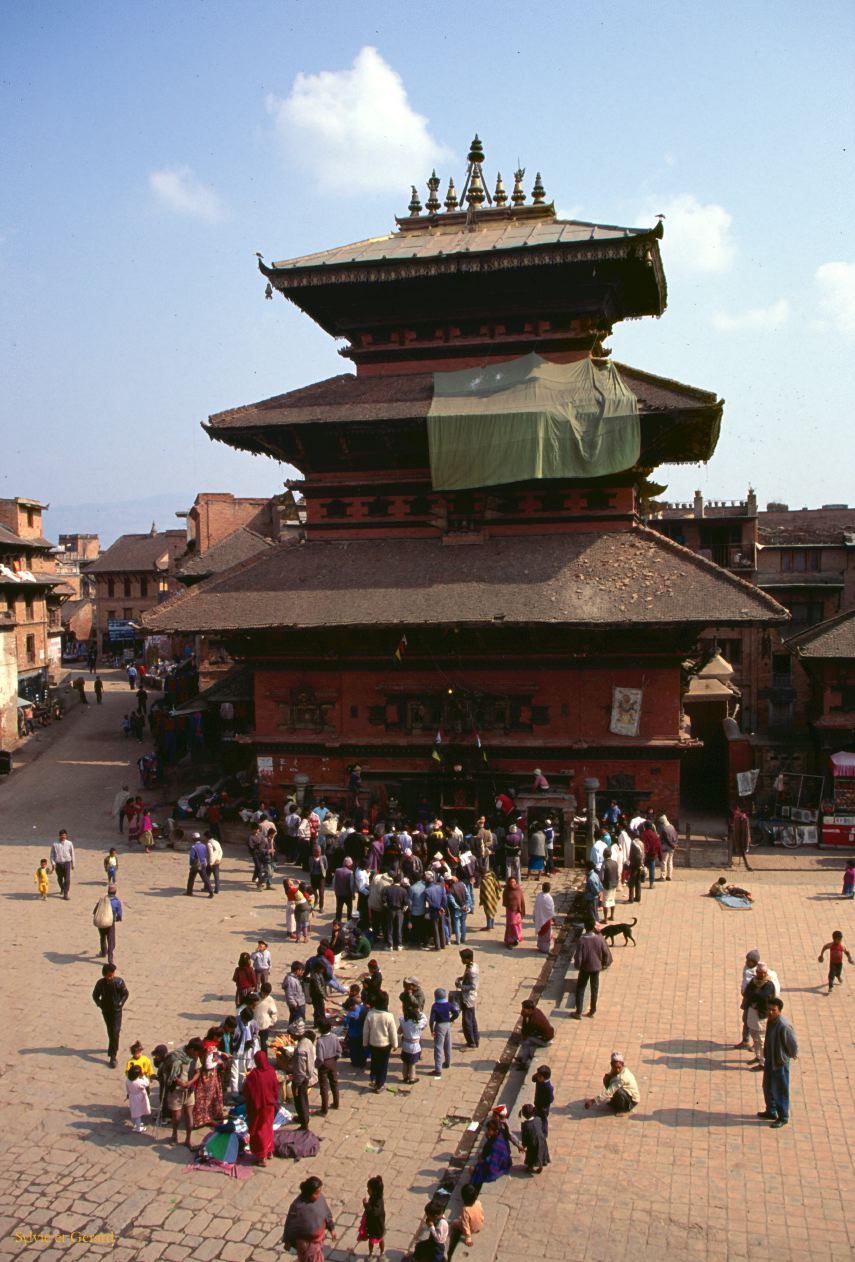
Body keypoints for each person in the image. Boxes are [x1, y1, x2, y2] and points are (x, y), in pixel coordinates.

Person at [759, 997, 798, 1128]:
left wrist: (791, 1055)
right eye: (768, 1009)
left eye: (773, 1010)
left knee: (780, 1089)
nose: (770, 1012)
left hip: (779, 1062)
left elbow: (792, 1044)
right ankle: (771, 1110)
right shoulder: (771, 1021)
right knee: (767, 1086)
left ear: (779, 1011)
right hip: (770, 1059)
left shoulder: (784, 1025)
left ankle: (783, 1116)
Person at [283, 1176, 337, 1262]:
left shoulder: (320, 1199)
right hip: (305, 1244)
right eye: (316, 1193)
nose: (319, 1195)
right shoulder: (297, 1207)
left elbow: (326, 1213)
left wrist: (332, 1228)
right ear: (309, 1192)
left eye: (319, 1192)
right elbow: (290, 1224)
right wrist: (287, 1241)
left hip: (318, 1240)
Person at [242, 1048, 279, 1165]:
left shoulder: (253, 1075)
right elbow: (275, 1087)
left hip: (257, 1108)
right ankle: (269, 1152)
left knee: (259, 1131)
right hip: (270, 1106)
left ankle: (262, 1157)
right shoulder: (272, 1071)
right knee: (268, 1128)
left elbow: (247, 1091)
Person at [571, 923, 612, 1019]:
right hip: (596, 968)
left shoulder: (582, 940)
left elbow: (578, 957)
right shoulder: (599, 938)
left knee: (580, 988)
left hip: (585, 968)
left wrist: (577, 966)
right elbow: (605, 953)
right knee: (594, 989)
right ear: (593, 928)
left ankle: (578, 1012)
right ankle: (592, 1010)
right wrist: (603, 964)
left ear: (585, 928)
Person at [92, 963, 128, 1067]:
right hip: (106, 1011)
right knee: (110, 1030)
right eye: (108, 975)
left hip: (117, 1011)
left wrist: (120, 1003)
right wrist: (100, 1004)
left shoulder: (119, 982)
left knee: (115, 1031)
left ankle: (113, 1055)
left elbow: (125, 994)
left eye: (112, 975)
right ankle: (112, 1045)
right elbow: (95, 995)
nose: (110, 977)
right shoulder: (100, 984)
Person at [362, 992, 398, 1092]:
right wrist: (395, 1044)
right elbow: (393, 1032)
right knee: (383, 1065)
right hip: (385, 1046)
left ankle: (373, 1078)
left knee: (374, 1062)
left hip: (373, 1044)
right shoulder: (388, 1016)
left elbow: (366, 1031)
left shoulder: (370, 1014)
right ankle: (379, 1085)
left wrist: (365, 1043)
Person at [742, 962, 776, 1069]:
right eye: (759, 972)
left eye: (763, 973)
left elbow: (763, 996)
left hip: (761, 1014)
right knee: (754, 1036)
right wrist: (754, 995)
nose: (761, 975)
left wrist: (754, 994)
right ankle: (757, 1056)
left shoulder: (769, 984)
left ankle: (763, 1062)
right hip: (752, 1011)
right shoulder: (754, 981)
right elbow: (747, 992)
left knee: (761, 1039)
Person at [193, 1035, 226, 1130]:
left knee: (206, 1097)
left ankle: (203, 1118)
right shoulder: (211, 1047)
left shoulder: (206, 1044)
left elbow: (214, 1055)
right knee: (207, 1097)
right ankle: (206, 1118)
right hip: (208, 1076)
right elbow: (208, 1065)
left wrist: (221, 1054)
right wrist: (218, 1062)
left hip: (207, 1075)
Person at [470, 1117, 513, 1190]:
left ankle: (475, 1187)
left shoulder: (496, 1145)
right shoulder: (500, 1134)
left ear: (496, 1131)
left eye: (489, 1130)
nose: (487, 1131)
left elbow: (492, 1164)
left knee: (472, 1170)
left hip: (498, 1167)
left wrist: (482, 1161)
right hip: (504, 1161)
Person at [513, 1000, 554, 1068]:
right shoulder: (536, 1010)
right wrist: (524, 1016)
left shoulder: (534, 1020)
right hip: (543, 1035)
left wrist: (524, 1017)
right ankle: (525, 1058)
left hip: (546, 1040)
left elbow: (526, 1032)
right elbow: (526, 1029)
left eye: (524, 1009)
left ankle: (524, 1062)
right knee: (526, 1040)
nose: (522, 1010)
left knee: (525, 1042)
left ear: (530, 1010)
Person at [429, 987, 459, 1077]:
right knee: (448, 1044)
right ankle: (447, 1063)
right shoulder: (448, 1004)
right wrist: (450, 1019)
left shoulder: (435, 1006)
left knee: (438, 1047)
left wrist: (432, 1030)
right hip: (447, 1025)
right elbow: (456, 1013)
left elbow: (431, 1020)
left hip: (439, 1026)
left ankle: (438, 1069)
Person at [290, 1027, 316, 1129]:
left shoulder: (301, 1049)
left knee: (300, 1100)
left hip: (301, 1078)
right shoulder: (308, 1042)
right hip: (307, 1075)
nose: (291, 1036)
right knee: (303, 1099)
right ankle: (302, 1117)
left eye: (292, 1034)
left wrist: (297, 1083)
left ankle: (304, 1124)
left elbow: (301, 1069)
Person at [448, 1184, 483, 1260]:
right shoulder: (478, 1202)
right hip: (479, 1225)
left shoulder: (465, 1210)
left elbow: (465, 1225)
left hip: (471, 1229)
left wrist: (468, 1237)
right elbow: (481, 1214)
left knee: (454, 1223)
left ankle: (451, 1231)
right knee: (463, 1218)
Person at [315, 1019, 342, 1114]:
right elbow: (339, 1051)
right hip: (333, 1062)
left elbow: (320, 1058)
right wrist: (335, 1059)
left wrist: (316, 1066)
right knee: (334, 1083)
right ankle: (336, 1103)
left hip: (324, 1065)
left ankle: (324, 1109)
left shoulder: (320, 1041)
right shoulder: (334, 1037)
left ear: (320, 1029)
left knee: (324, 1087)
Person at [456, 950, 480, 1048]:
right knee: (472, 1019)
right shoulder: (471, 966)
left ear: (468, 959)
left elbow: (473, 986)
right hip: (467, 997)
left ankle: (471, 1041)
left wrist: (461, 986)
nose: (462, 960)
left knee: (467, 1022)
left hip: (468, 998)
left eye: (463, 958)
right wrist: (461, 978)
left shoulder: (472, 971)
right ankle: (475, 1039)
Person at [93, 884, 122, 965]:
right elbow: (119, 913)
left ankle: (103, 952)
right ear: (115, 892)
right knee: (111, 941)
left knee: (102, 938)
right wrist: (118, 919)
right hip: (110, 923)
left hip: (101, 922)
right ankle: (110, 958)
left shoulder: (102, 900)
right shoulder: (116, 901)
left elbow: (95, 911)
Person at [358, 1175, 386, 1259]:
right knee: (371, 1240)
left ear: (374, 1191)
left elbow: (374, 1212)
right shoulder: (374, 1197)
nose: (367, 1190)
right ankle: (370, 1253)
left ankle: (382, 1252)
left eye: (369, 1189)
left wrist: (366, 1205)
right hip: (372, 1225)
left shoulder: (378, 1201)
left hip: (378, 1226)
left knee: (380, 1239)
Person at [399, 1006, 428, 1083]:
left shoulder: (403, 1022)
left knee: (405, 1062)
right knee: (412, 1063)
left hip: (405, 1045)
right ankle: (411, 1078)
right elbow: (425, 1020)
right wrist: (419, 1012)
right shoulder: (417, 1024)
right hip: (414, 1046)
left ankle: (405, 1076)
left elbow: (399, 1031)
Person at [519, 1103, 550, 1174]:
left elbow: (525, 1137)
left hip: (533, 1143)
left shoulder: (525, 1125)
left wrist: (523, 1145)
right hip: (542, 1141)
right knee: (541, 1153)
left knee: (531, 1155)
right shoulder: (538, 1119)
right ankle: (540, 1166)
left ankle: (530, 1167)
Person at [343, 987, 368, 1069]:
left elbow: (345, 1023)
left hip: (353, 1034)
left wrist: (345, 1017)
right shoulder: (363, 1008)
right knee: (362, 1048)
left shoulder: (350, 1014)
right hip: (362, 1032)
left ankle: (355, 1062)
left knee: (354, 1050)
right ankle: (362, 1062)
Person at [186, 833, 214, 897]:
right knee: (205, 878)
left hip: (196, 865)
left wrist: (191, 864)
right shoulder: (204, 846)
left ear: (194, 839)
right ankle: (211, 892)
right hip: (203, 864)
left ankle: (189, 892)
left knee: (191, 878)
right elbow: (206, 855)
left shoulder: (193, 847)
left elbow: (192, 857)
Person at [125, 1064, 151, 1133]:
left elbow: (127, 1089)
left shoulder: (128, 1080)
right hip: (140, 1098)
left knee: (134, 1111)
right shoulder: (139, 1082)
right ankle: (138, 1128)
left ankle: (135, 1124)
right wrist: (143, 1076)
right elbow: (147, 1083)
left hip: (132, 1096)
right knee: (138, 1114)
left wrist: (128, 1094)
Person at [50, 829, 75, 900]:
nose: (63, 837)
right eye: (62, 835)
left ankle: (66, 894)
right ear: (59, 836)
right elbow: (52, 854)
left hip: (67, 862)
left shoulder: (69, 843)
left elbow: (72, 853)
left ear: (66, 835)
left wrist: (73, 863)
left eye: (65, 835)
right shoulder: (55, 844)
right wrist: (53, 863)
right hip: (58, 864)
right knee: (60, 878)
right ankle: (62, 888)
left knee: (67, 879)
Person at [254, 983, 278, 1053]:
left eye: (266, 994)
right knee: (254, 1045)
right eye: (263, 993)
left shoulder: (270, 1000)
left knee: (264, 1044)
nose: (264, 996)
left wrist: (272, 1023)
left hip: (264, 1026)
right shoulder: (254, 997)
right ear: (260, 990)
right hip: (253, 1026)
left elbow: (274, 1013)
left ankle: (264, 1060)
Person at [502, 877, 526, 948]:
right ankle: (509, 941)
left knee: (517, 925)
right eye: (511, 882)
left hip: (517, 911)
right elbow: (505, 901)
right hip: (510, 911)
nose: (512, 883)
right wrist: (510, 906)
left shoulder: (519, 890)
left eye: (514, 882)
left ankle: (516, 939)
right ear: (508, 883)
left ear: (516, 882)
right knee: (511, 926)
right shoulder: (506, 890)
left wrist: (522, 910)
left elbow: (522, 900)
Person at [533, 882, 555, 953]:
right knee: (546, 935)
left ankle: (540, 946)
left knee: (541, 934)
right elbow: (551, 910)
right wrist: (552, 916)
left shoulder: (539, 895)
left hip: (539, 918)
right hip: (546, 920)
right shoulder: (549, 898)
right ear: (549, 889)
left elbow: (535, 907)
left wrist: (535, 916)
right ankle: (546, 949)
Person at [532, 1065, 554, 1135]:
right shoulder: (539, 1080)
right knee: (536, 1117)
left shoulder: (548, 1088)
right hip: (537, 1103)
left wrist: (544, 1106)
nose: (537, 1077)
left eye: (539, 1076)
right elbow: (533, 1079)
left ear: (543, 1078)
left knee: (543, 1120)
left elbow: (551, 1099)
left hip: (543, 1107)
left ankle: (544, 1133)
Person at [640, 820, 661, 888]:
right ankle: (651, 883)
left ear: (645, 826)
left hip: (644, 854)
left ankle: (641, 880)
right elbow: (658, 845)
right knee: (652, 869)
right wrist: (660, 856)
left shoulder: (642, 834)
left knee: (642, 867)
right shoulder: (655, 835)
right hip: (652, 854)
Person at [333, 857, 356, 922]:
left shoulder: (337, 871)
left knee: (339, 908)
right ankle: (349, 921)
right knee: (349, 908)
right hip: (347, 894)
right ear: (349, 865)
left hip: (339, 894)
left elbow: (334, 882)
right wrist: (353, 894)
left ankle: (338, 922)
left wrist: (336, 890)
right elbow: (351, 885)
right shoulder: (350, 873)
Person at [284, 961, 307, 1025]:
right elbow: (290, 994)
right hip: (297, 1005)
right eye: (302, 970)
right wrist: (294, 1005)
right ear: (297, 970)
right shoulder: (291, 980)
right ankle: (294, 1032)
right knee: (297, 1020)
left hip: (300, 1002)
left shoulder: (296, 978)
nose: (303, 972)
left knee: (295, 1019)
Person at [657, 814, 679, 881]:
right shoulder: (672, 826)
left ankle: (663, 876)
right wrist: (674, 844)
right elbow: (676, 835)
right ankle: (669, 876)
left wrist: (671, 845)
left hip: (666, 848)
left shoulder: (664, 829)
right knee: (670, 861)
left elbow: (666, 839)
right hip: (672, 848)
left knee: (664, 862)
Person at [731, 805, 752, 870]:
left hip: (741, 839)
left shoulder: (744, 819)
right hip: (738, 837)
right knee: (740, 848)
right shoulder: (738, 818)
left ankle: (746, 864)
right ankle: (746, 864)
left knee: (742, 848)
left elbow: (746, 833)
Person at [626, 831, 644, 904]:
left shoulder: (633, 843)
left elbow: (631, 855)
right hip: (640, 865)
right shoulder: (641, 843)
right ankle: (638, 897)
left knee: (631, 882)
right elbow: (643, 854)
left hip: (634, 866)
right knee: (638, 882)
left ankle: (631, 898)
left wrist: (629, 864)